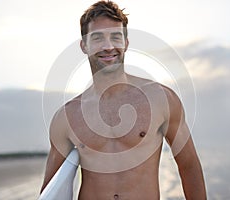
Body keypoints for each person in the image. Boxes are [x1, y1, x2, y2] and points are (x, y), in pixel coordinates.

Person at [40, 1, 206, 199]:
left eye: (116, 37)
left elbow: (189, 166)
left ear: (126, 43)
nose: (108, 46)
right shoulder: (66, 117)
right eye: (98, 38)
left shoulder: (160, 99)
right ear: (84, 45)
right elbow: (50, 190)